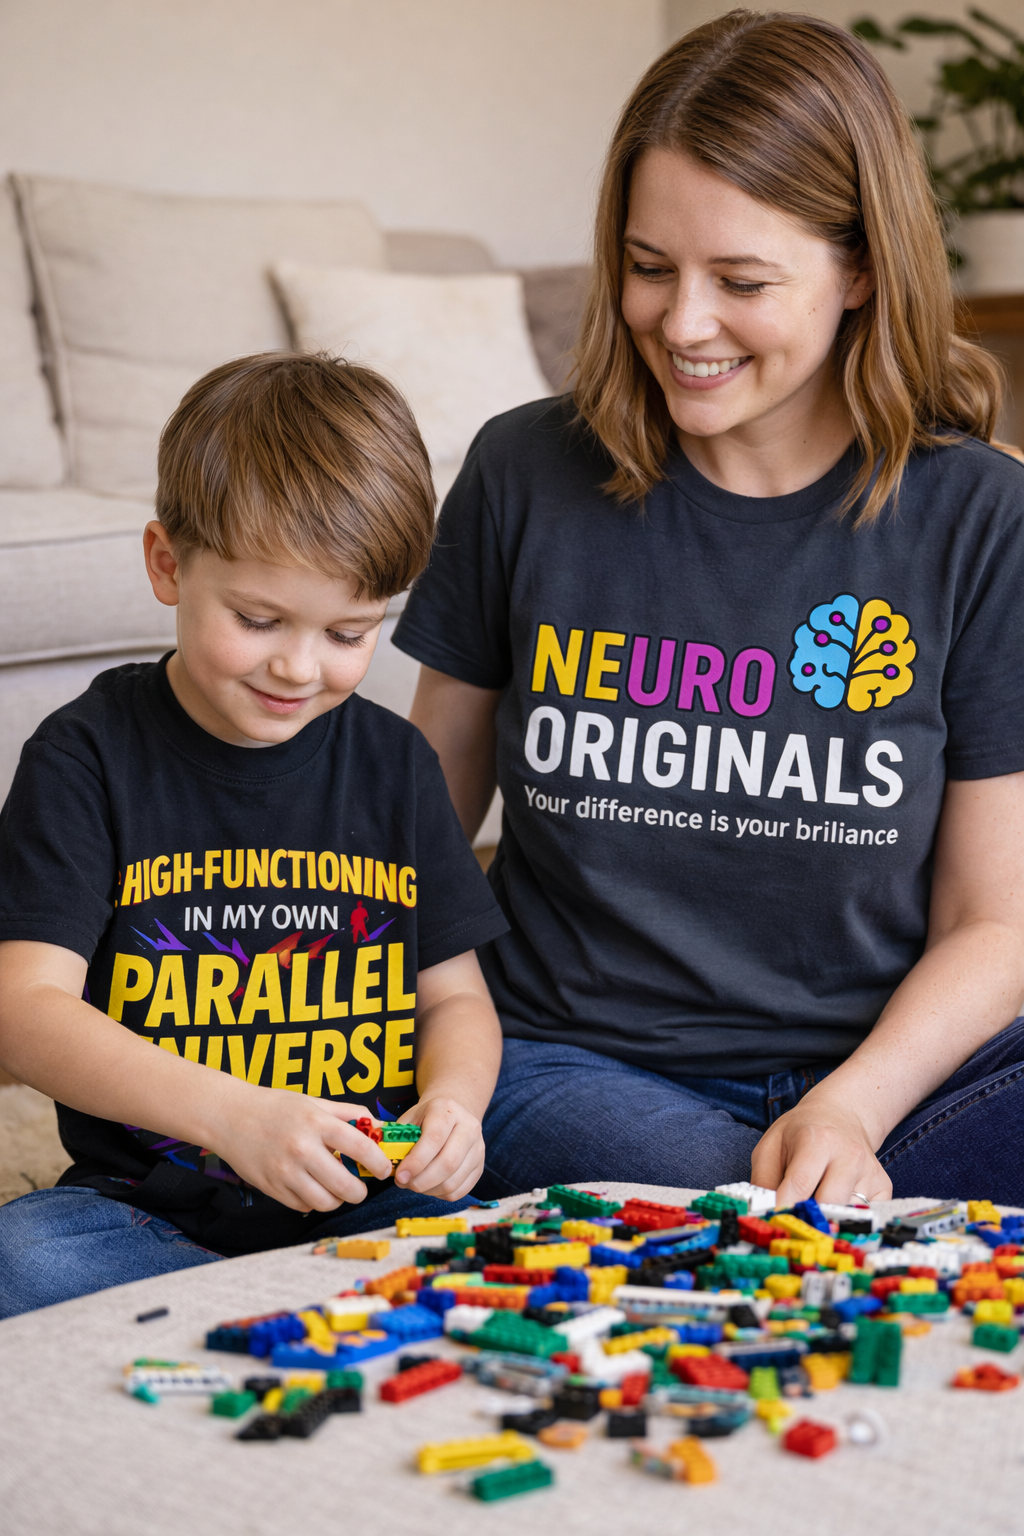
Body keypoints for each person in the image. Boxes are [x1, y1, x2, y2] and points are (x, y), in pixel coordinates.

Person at [394, 11, 1024, 1208]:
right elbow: (419, 819)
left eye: (740, 281)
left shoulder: (984, 521)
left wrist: (853, 1104)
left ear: (859, 272)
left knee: (797, 1207)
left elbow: (995, 925)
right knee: (738, 1213)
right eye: (646, 267)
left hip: (894, 1074)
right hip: (575, 1069)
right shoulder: (525, 474)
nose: (681, 325)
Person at [0, 353, 507, 1317]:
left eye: (349, 634)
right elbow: (23, 1012)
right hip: (147, 1213)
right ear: (167, 564)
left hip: (363, 1204)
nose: (298, 667)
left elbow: (456, 1001)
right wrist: (233, 1116)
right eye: (259, 618)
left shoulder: (395, 766)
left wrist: (454, 1107)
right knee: (20, 1261)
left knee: (502, 1255)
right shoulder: (85, 757)